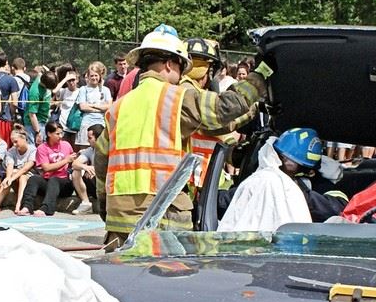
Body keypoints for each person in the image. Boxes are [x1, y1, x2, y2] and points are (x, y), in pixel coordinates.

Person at [94, 25, 269, 248]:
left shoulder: (118, 107)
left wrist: (105, 206)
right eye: (181, 67)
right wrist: (262, 74)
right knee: (166, 271)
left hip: (119, 219)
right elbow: (225, 107)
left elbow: (101, 162)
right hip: (161, 217)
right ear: (170, 63)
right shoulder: (177, 98)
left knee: (120, 271)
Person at [182, 38, 255, 186]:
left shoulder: (186, 90)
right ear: (208, 70)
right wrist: (253, 107)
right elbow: (220, 119)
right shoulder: (187, 93)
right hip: (190, 179)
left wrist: (235, 152)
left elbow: (214, 134)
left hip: (194, 178)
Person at [275, 127, 348, 222]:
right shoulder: (270, 174)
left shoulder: (321, 184)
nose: (280, 161)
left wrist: (301, 194)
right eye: (280, 156)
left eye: (287, 159)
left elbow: (338, 208)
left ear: (309, 171)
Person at [23, 121, 76, 216]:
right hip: (48, 181)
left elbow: (73, 160)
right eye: (57, 134)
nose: (60, 136)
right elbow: (46, 168)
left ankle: (47, 208)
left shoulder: (66, 145)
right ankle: (27, 206)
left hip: (64, 183)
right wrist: (65, 160)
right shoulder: (42, 148)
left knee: (54, 179)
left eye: (61, 133)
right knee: (34, 179)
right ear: (49, 134)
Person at [0, 128, 34, 213]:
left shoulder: (33, 150)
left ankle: (18, 204)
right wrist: (8, 177)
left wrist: (11, 178)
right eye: (13, 142)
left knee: (22, 177)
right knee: (9, 176)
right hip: (15, 176)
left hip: (28, 177)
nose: (14, 144)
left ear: (24, 138)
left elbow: (25, 168)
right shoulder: (11, 151)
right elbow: (10, 165)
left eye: (16, 142)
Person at [0, 51, 21, 145]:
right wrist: (12, 114)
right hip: (4, 119)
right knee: (3, 146)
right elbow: (15, 103)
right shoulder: (11, 80)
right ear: (6, 62)